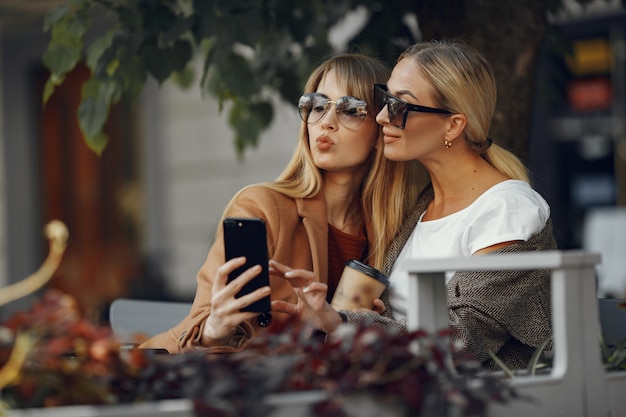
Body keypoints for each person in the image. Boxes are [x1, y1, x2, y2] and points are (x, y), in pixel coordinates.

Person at [276, 40, 556, 372]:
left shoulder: (509, 211)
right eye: (385, 99)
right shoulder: (421, 207)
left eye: (399, 105)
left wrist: (343, 321)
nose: (381, 116)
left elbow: (460, 342)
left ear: (453, 125)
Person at [138, 53, 424, 353]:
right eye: (317, 105)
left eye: (350, 110)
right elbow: (202, 324)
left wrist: (362, 327)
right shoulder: (262, 208)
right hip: (234, 381)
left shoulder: (391, 233)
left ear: (382, 129)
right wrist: (214, 328)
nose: (326, 123)